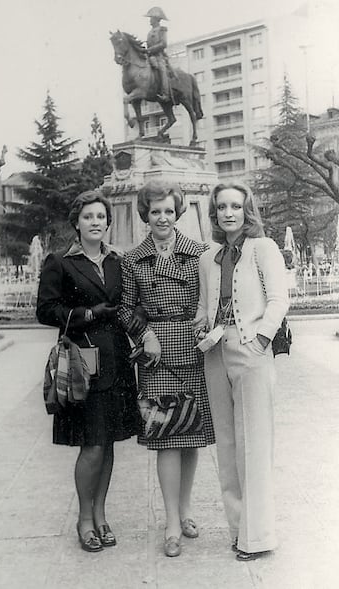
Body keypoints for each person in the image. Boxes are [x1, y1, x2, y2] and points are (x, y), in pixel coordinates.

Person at [36, 190, 142, 553]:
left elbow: (128, 305)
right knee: (92, 445)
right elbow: (45, 309)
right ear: (76, 223)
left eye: (101, 216)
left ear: (108, 221)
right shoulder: (60, 262)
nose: (95, 222)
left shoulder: (117, 261)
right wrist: (87, 314)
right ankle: (84, 519)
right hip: (83, 364)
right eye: (88, 217)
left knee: (109, 443)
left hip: (117, 360)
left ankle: (100, 514)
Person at [119, 180, 215, 558]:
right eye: (155, 211)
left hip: (193, 350)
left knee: (190, 437)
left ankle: (185, 509)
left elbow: (210, 301)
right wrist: (145, 334)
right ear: (146, 215)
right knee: (166, 437)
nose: (162, 217)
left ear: (178, 214)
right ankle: (171, 522)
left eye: (168, 211)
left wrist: (204, 324)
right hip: (156, 356)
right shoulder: (132, 259)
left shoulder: (199, 253)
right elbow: (126, 308)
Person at [194, 181, 289, 561]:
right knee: (229, 446)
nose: (228, 213)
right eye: (221, 207)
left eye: (235, 206)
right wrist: (200, 326)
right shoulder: (208, 256)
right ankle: (238, 531)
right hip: (215, 353)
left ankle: (258, 536)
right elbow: (204, 305)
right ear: (214, 213)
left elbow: (279, 299)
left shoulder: (263, 248)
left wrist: (262, 340)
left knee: (255, 444)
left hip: (251, 352)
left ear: (247, 210)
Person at [144, 6, 171, 102]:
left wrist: (150, 50)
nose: (150, 20)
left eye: (151, 18)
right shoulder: (149, 32)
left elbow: (163, 44)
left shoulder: (162, 29)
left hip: (159, 56)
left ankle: (165, 94)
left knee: (162, 70)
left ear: (156, 19)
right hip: (150, 56)